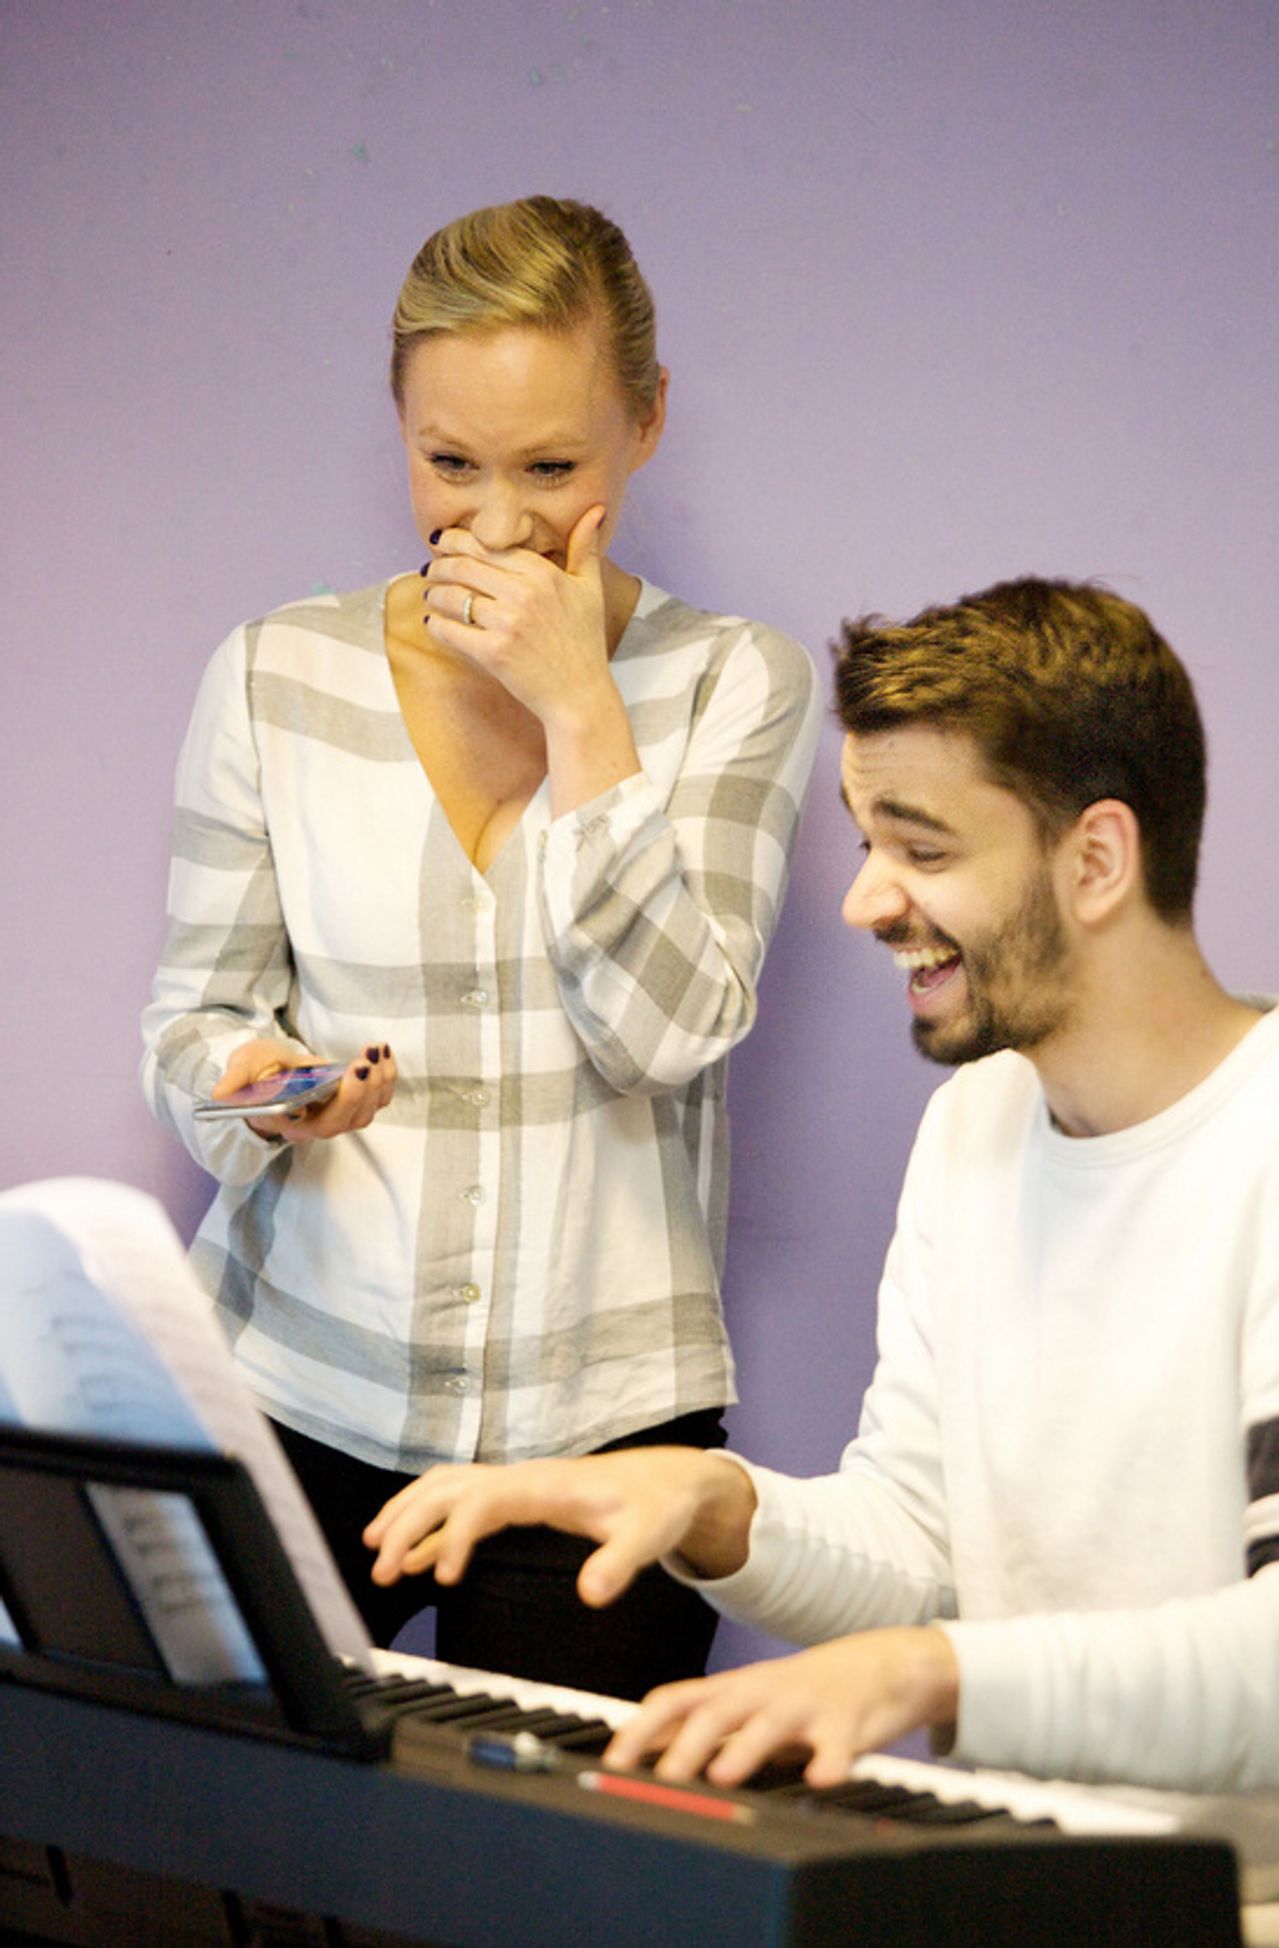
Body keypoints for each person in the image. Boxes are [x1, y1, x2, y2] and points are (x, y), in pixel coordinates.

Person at [364, 578, 1279, 1946]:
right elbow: (922, 1550)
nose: (864, 902)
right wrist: (713, 1506)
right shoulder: (977, 1124)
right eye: (865, 840)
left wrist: (924, 1677)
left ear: (1096, 861)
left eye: (919, 847)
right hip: (1034, 1881)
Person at [141, 195, 821, 1698]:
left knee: (569, 1894)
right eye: (449, 463)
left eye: (552, 467)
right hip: (287, 1391)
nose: (497, 523)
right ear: (397, 421)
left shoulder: (732, 684)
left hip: (606, 1431)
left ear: (647, 424)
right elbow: (192, 1026)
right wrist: (265, 1087)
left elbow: (666, 1034)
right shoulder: (275, 673)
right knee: (198, 1873)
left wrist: (584, 710)